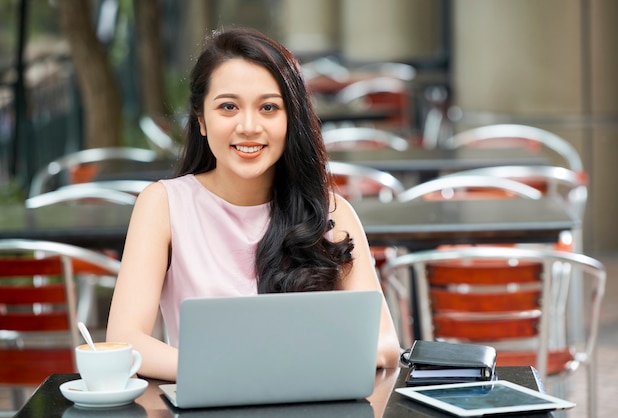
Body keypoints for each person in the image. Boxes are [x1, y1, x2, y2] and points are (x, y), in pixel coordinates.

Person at [106, 27, 401, 381]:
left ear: (291, 119)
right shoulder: (163, 205)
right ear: (200, 119)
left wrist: (265, 372)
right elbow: (125, 341)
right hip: (209, 402)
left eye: (268, 107)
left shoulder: (331, 214)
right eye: (228, 107)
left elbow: (384, 343)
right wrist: (235, 374)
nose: (248, 126)